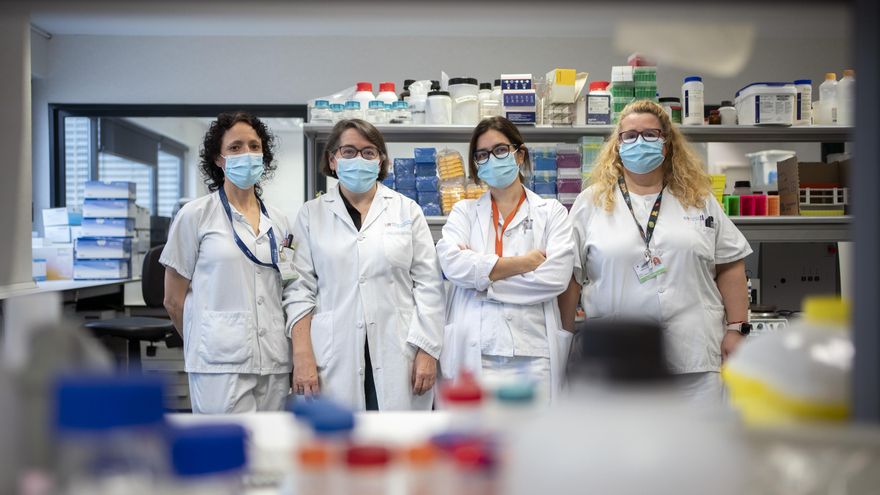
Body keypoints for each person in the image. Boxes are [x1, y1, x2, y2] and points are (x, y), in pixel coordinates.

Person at [558, 100, 752, 404]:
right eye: (630, 135)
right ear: (617, 145)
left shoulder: (698, 200)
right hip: (617, 360)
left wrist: (737, 329)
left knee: (696, 449)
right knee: (623, 451)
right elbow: (571, 278)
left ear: (666, 143)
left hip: (694, 358)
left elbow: (730, 264)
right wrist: (563, 343)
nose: (640, 142)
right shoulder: (591, 203)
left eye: (650, 134)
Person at [282, 119, 445, 411]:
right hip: (333, 354)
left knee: (400, 445)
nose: (359, 159)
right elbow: (299, 290)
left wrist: (427, 351)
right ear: (332, 160)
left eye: (369, 152)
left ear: (382, 160)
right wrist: (302, 354)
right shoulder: (311, 214)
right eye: (348, 151)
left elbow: (429, 287)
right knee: (341, 447)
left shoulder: (407, 210)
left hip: (401, 352)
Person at [161, 112, 294, 414]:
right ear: (218, 159)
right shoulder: (195, 216)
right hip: (218, 364)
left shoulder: (280, 221)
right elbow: (173, 300)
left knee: (272, 452)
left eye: (254, 146)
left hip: (274, 359)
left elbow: (287, 286)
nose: (246, 154)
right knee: (226, 455)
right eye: (235, 147)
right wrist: (206, 339)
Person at [436, 116, 575, 401]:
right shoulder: (464, 212)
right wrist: (524, 264)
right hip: (475, 350)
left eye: (500, 150)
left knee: (533, 443)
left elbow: (555, 278)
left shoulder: (551, 212)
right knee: (476, 441)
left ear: (519, 154)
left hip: (534, 353)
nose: (491, 159)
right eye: (482, 155)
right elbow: (453, 266)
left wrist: (482, 281)